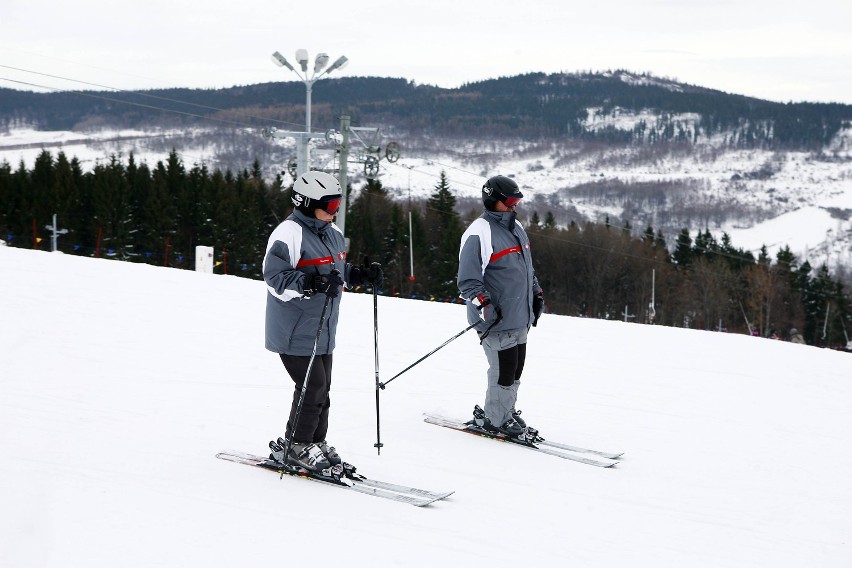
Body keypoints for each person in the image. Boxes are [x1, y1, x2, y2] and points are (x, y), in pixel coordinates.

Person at [263, 171, 383, 472]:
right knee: (312, 386)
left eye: (338, 205)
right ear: (305, 203)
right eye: (329, 205)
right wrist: (312, 283)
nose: (335, 211)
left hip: (323, 328)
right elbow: (274, 278)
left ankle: (314, 441)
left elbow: (337, 271)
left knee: (322, 387)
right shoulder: (287, 234)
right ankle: (296, 445)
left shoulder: (332, 234)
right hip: (294, 330)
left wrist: (359, 275)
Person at [457, 175, 544, 438]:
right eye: (510, 201)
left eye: (517, 201)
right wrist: (485, 305)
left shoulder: (516, 227)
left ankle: (505, 411)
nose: (514, 206)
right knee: (502, 372)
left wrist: (536, 292)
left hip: (519, 316)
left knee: (515, 370)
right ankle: (496, 419)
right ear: (493, 200)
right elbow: (468, 282)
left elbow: (527, 268)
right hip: (496, 318)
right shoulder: (478, 232)